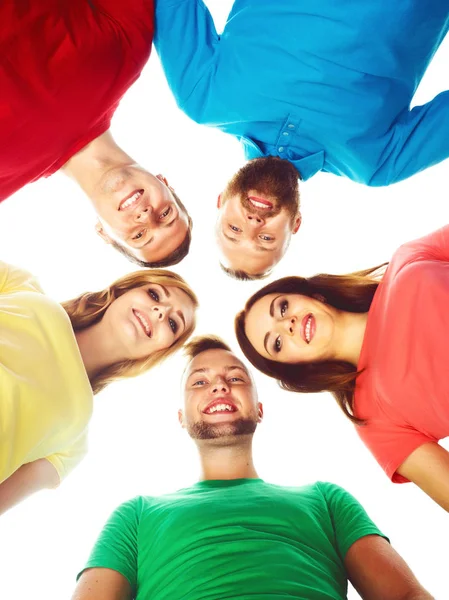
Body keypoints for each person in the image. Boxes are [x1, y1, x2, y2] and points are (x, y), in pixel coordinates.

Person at [72, 336, 432, 600]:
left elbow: (406, 596)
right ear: (181, 417)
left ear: (259, 409)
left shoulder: (326, 500)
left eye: (236, 378)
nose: (219, 386)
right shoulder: (136, 516)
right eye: (199, 382)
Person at [153, 0, 449, 278]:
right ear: (295, 224)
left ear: (221, 201)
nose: (253, 225)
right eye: (266, 239)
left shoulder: (202, 99)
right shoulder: (377, 164)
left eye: (234, 229)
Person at [235, 224, 449, 513]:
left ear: (311, 295)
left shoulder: (407, 260)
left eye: (283, 308)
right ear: (297, 368)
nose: (288, 325)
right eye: (276, 343)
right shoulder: (374, 420)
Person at [0, 2, 192, 268]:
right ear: (165, 183)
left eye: (139, 236)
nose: (147, 216)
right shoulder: (129, 49)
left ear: (103, 233)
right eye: (166, 214)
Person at [0, 261, 198, 514]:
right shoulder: (22, 285)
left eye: (173, 324)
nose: (160, 312)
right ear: (123, 290)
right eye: (154, 294)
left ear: (161, 350)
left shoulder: (73, 444)